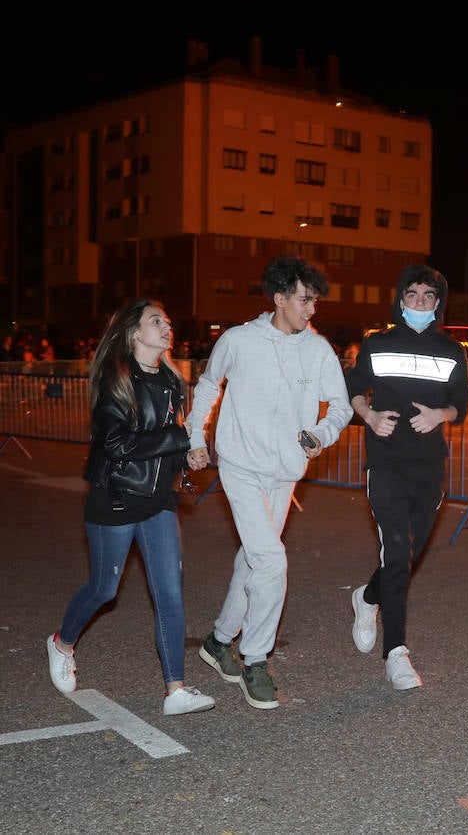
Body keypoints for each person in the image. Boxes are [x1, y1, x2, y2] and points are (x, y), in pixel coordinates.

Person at [186, 256, 351, 709]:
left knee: (254, 559)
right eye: (304, 299)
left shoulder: (318, 350)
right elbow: (206, 386)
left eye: (314, 300)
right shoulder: (239, 340)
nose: (311, 309)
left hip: (286, 471)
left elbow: (340, 406)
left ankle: (219, 641)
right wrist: (194, 438)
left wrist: (320, 434)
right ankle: (255, 658)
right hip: (240, 464)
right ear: (279, 299)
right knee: (271, 559)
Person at [45, 300, 215, 716]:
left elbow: (165, 438)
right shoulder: (115, 379)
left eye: (168, 321)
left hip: (159, 501)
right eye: (156, 321)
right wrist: (178, 440)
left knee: (170, 595)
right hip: (117, 497)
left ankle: (174, 689)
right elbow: (117, 445)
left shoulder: (172, 380)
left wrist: (186, 457)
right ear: (135, 333)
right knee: (105, 588)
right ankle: (61, 642)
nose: (166, 326)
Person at [346, 265, 468, 690]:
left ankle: (367, 598)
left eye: (428, 296)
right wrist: (368, 415)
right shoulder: (376, 344)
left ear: (438, 304)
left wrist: (443, 414)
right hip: (386, 463)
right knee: (397, 549)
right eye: (413, 294)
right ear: (401, 300)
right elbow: (353, 387)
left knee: (407, 554)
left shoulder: (452, 351)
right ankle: (396, 653)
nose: (420, 302)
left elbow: (462, 401)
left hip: (429, 467)